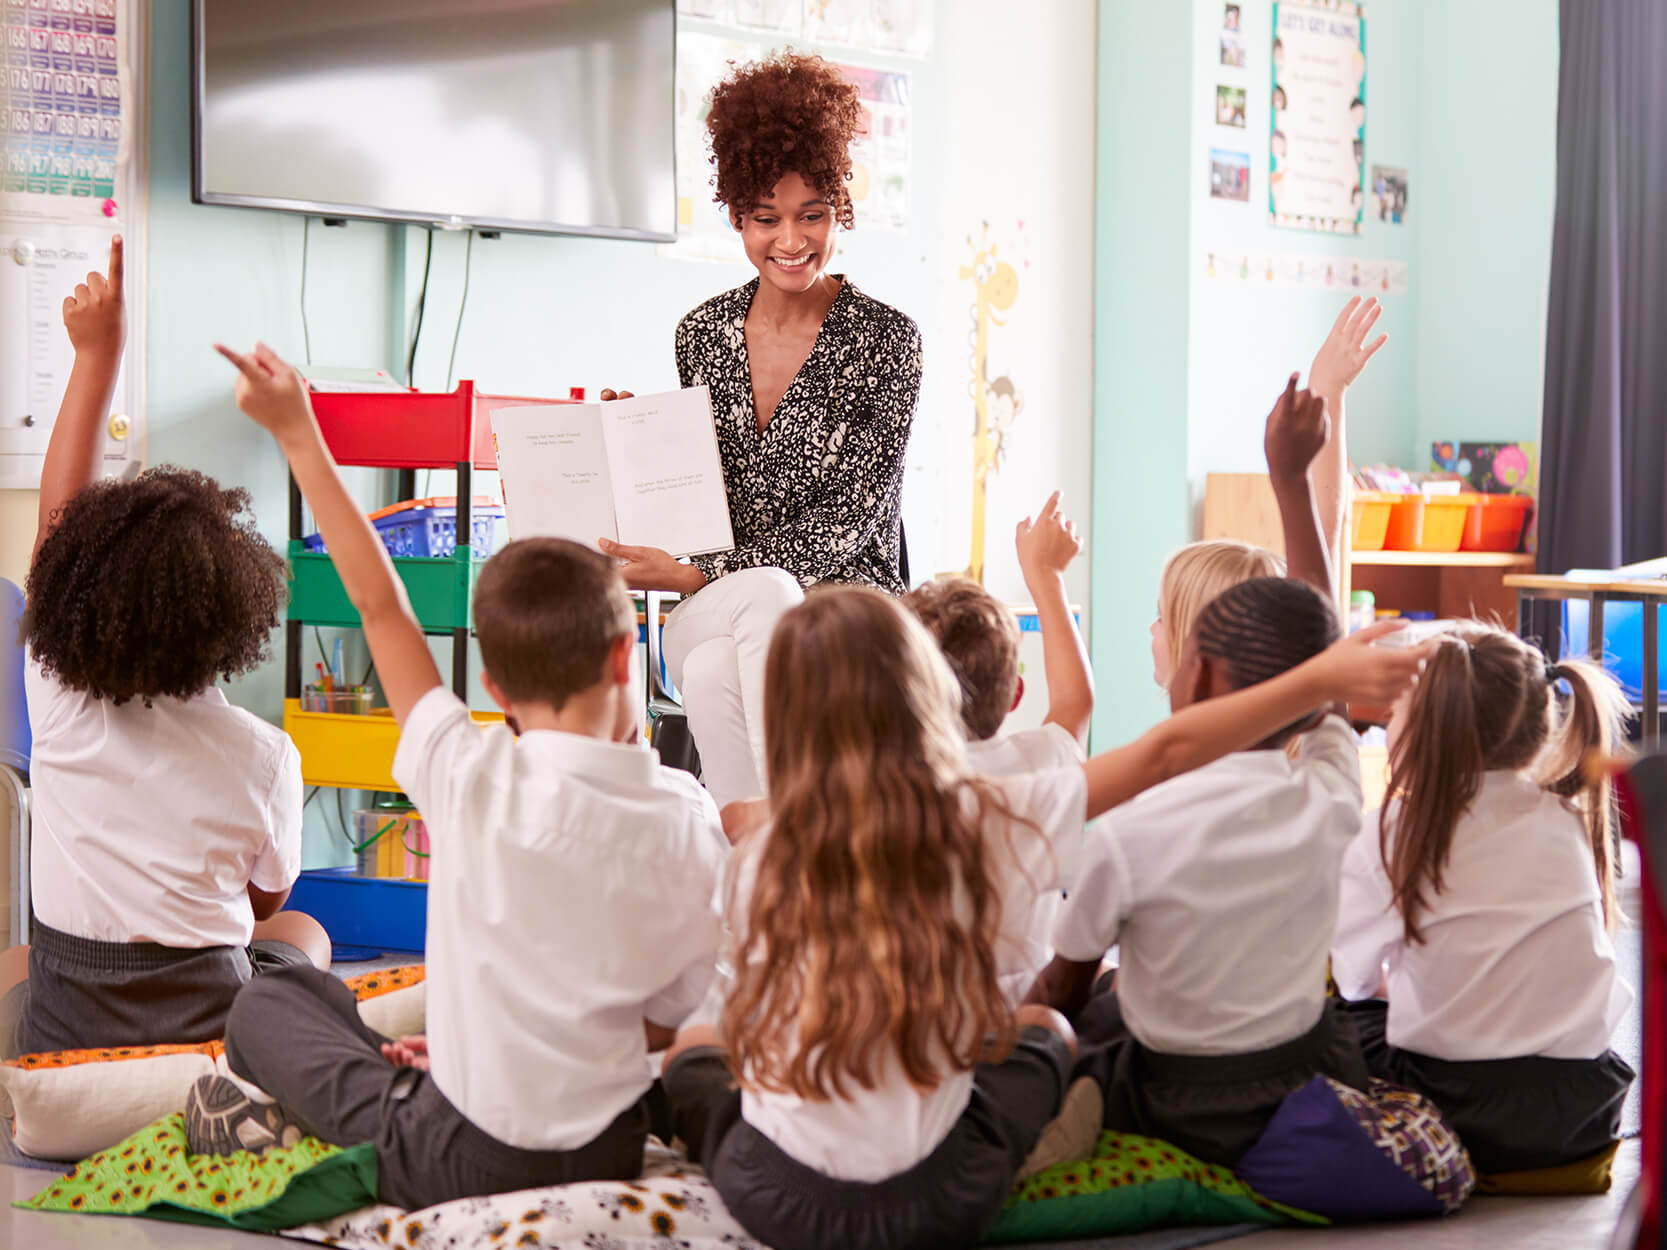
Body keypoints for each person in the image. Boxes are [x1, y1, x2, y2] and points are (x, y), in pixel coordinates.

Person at [662, 577, 1431, 1250]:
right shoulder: (992, 815)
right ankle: (1046, 1135)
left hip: (781, 1206)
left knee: (694, 1050)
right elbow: (1165, 752)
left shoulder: (760, 859)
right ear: (922, 685)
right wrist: (1318, 680)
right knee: (1049, 1031)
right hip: (945, 1195)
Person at [199, 343, 728, 1207]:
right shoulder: (685, 811)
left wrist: (300, 435)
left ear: (490, 686)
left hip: (458, 1155)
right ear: (626, 652)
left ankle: (381, 1085)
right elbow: (673, 1017)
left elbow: (380, 604)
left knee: (267, 1007)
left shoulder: (469, 769)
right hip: (611, 1146)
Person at [1034, 378, 1380, 1168]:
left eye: (1171, 631)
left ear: (1201, 672)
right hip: (1301, 1084)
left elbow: (1061, 986)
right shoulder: (1326, 794)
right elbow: (1323, 675)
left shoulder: (1127, 828)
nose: (1155, 636)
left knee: (1079, 1025)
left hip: (1171, 1101)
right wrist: (1290, 480)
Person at [0, 239, 328, 1061]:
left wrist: (96, 355)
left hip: (66, 1045)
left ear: (80, 596)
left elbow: (56, 524)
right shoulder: (264, 755)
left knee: (16, 962)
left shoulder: (60, 698)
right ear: (229, 620)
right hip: (208, 1051)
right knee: (305, 933)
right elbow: (259, 909)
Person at [598, 52, 923, 808]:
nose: (789, 241)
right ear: (736, 216)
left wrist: (695, 576)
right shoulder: (702, 333)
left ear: (839, 208)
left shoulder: (887, 340)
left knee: (713, 671)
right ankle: (808, 840)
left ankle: (757, 860)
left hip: (848, 615)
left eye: (812, 214)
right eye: (764, 219)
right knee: (753, 606)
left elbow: (849, 518)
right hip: (720, 603)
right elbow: (693, 494)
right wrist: (635, 439)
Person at [1331, 622, 1636, 1175]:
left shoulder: (1386, 831)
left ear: (1423, 730)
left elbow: (1355, 980)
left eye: (1393, 714)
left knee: (1333, 1013)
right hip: (1581, 1112)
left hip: (1450, 1111)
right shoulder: (1568, 819)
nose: (1385, 724)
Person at [904, 490, 1092, 1005]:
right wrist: (1045, 579)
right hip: (1024, 1021)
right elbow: (1076, 703)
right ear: (1016, 696)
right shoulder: (1044, 762)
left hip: (926, 1031)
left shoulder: (886, 787)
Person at [1150, 297, 1387, 692]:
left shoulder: (1175, 754)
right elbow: (1320, 557)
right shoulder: (1312, 737)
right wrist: (1329, 388)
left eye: (1163, 616)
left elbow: (1318, 573)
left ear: (1201, 654)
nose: (1152, 629)